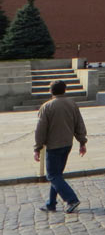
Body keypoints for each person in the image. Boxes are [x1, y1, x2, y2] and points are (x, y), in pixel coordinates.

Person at [33, 80, 87, 213]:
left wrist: (37, 148)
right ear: (65, 89)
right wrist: (82, 142)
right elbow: (79, 124)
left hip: (53, 146)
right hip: (67, 144)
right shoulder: (72, 104)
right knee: (57, 175)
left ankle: (71, 199)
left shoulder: (47, 106)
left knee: (52, 176)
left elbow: (40, 129)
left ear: (50, 91)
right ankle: (51, 204)